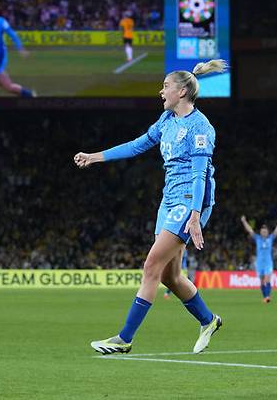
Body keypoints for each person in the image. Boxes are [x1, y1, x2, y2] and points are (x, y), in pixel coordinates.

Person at [74, 59, 227, 355]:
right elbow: (136, 145)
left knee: (151, 266)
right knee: (170, 276)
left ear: (182, 91)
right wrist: (95, 157)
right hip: (169, 199)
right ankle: (209, 321)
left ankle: (124, 339)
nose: (161, 91)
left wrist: (195, 215)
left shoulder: (200, 127)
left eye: (166, 86)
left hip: (190, 201)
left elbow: (199, 175)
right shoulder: (166, 121)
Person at [240, 214, 277, 303]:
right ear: (260, 232)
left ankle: (268, 296)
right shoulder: (257, 238)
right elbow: (250, 230)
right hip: (259, 263)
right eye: (262, 231)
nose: (264, 233)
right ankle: (265, 297)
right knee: (261, 281)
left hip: (268, 262)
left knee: (267, 279)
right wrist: (244, 221)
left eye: (265, 231)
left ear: (268, 232)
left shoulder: (271, 238)